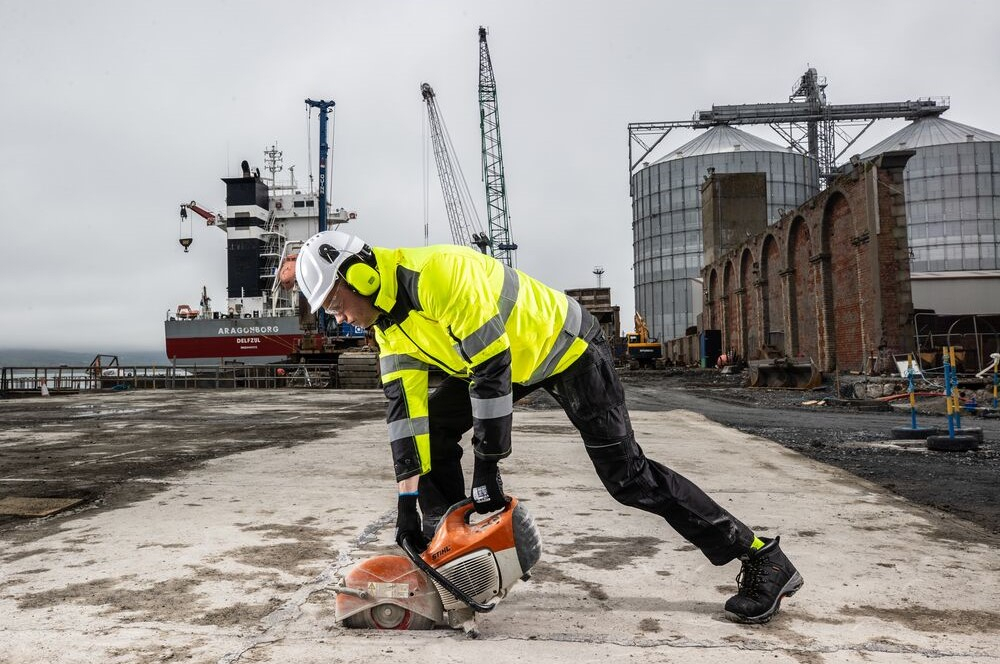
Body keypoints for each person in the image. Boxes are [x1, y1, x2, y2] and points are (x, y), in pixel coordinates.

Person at [290, 230, 804, 624]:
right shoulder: (386, 328)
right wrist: (407, 508)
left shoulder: (440, 276)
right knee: (432, 439)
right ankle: (446, 555)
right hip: (499, 362)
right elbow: (405, 418)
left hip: (568, 349)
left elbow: (492, 373)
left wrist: (488, 468)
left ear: (359, 276)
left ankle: (762, 557)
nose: (342, 320)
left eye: (336, 304)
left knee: (629, 478)